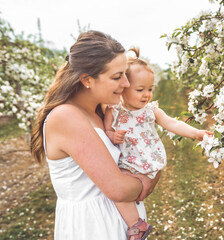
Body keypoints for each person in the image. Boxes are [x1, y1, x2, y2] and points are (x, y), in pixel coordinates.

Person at [30, 31, 160, 240]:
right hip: (92, 227)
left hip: (116, 223)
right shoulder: (66, 117)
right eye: (117, 77)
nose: (126, 83)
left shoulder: (100, 112)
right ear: (87, 80)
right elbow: (118, 189)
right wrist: (150, 177)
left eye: (125, 74)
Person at [104, 48, 213, 239]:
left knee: (119, 193)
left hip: (146, 164)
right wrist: (114, 137)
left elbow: (172, 122)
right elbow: (107, 132)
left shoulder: (150, 110)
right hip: (126, 165)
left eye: (150, 89)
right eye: (140, 90)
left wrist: (195, 133)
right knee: (116, 190)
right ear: (124, 87)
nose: (147, 94)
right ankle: (136, 225)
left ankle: (135, 225)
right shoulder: (113, 111)